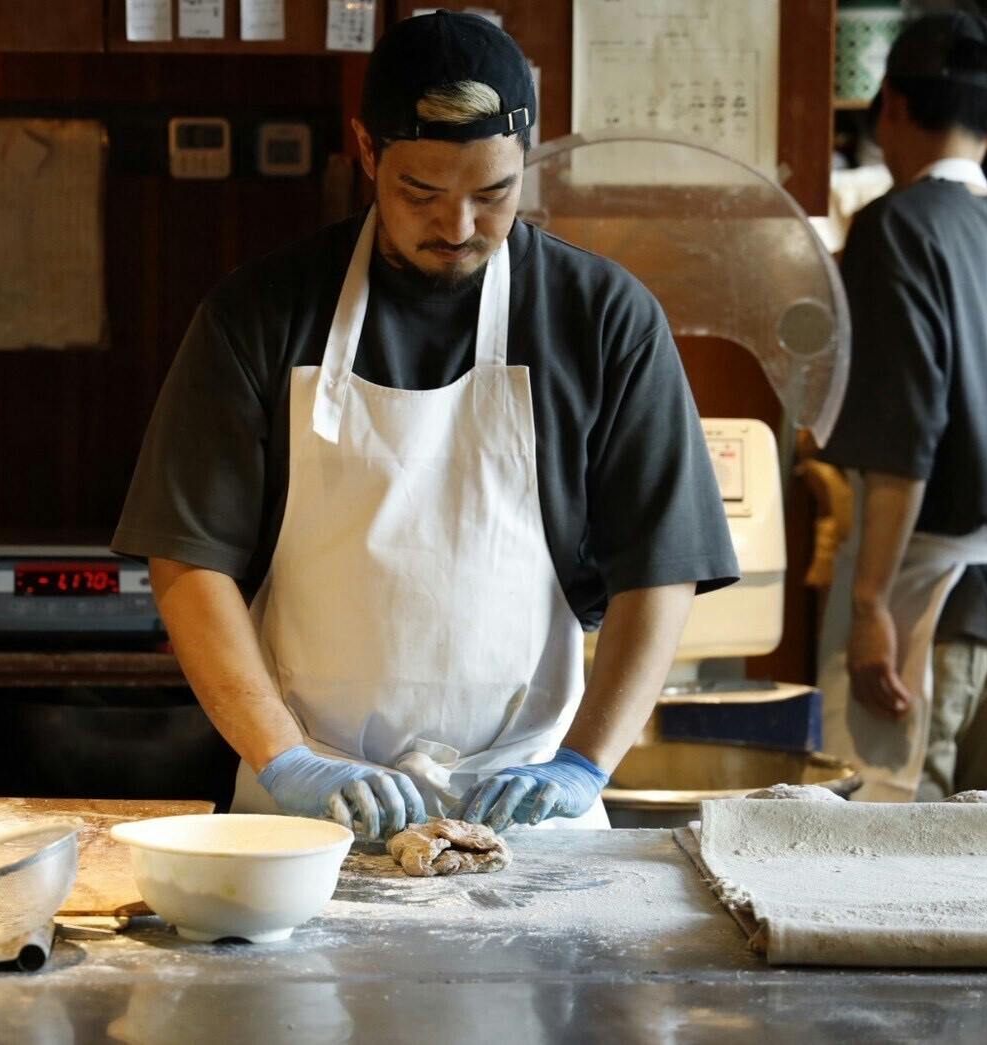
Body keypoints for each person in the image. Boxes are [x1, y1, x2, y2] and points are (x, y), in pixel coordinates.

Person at [112, 11, 737, 838]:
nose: (458, 227)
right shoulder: (260, 313)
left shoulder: (600, 317)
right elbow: (188, 561)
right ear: (366, 150)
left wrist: (583, 762)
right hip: (311, 809)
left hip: (526, 809)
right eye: (421, 193)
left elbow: (660, 568)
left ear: (526, 158)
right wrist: (284, 758)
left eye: (493, 194)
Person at [817, 12, 987, 803]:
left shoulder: (892, 228)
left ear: (890, 107)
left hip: (925, 612)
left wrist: (869, 602)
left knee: (886, 857)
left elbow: (905, 438)